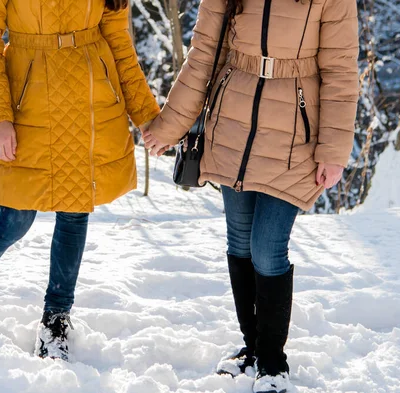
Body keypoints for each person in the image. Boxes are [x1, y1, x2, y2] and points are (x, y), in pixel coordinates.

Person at [0, 0, 160, 362]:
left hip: (89, 95)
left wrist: (145, 112)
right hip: (26, 98)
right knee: (14, 218)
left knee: (75, 212)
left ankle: (56, 319)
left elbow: (118, 38)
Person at [144, 0, 359, 391]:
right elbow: (204, 53)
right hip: (232, 127)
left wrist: (333, 151)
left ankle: (273, 365)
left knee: (267, 248)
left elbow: (341, 71)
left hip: (295, 139)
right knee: (240, 242)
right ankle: (253, 350)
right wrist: (171, 124)